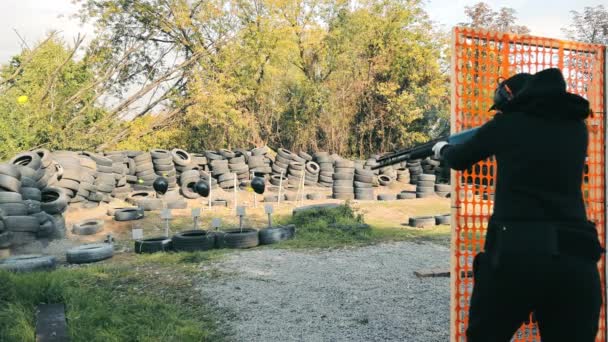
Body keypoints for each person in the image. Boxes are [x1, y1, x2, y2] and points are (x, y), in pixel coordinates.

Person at [432, 68, 604, 341]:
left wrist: (442, 148)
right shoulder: (577, 128)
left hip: (515, 255)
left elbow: (459, 159)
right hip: (577, 259)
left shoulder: (507, 125)